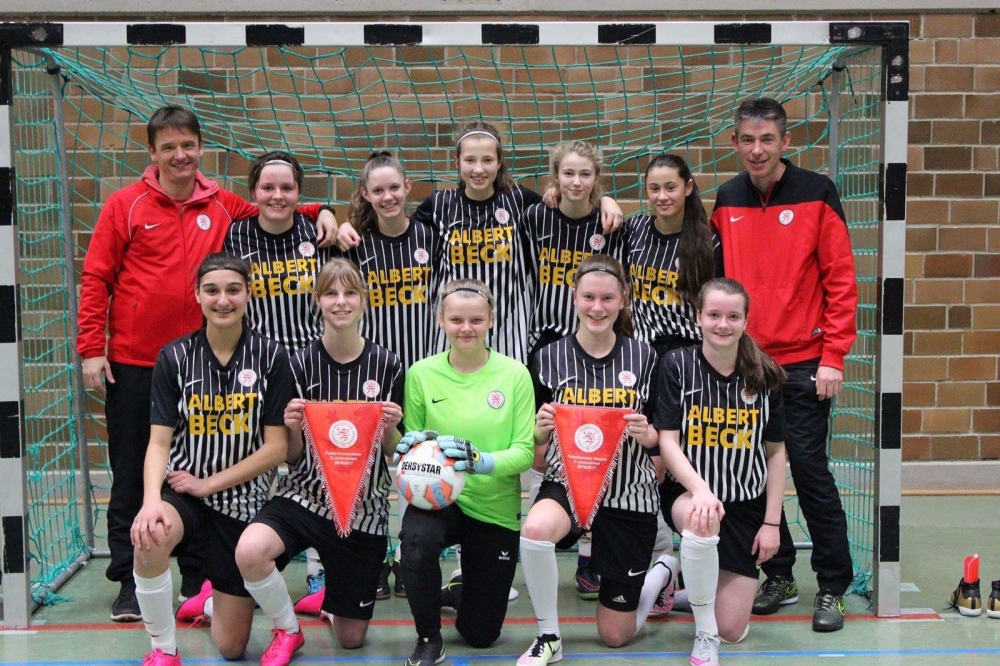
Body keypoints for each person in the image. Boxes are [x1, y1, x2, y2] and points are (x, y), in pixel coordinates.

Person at [77, 106, 336, 621]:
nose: (180, 155)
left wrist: (322, 210)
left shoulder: (220, 203)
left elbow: (274, 206)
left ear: (200, 148)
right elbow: (96, 276)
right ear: (152, 153)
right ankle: (130, 579)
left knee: (198, 469)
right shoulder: (124, 205)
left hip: (203, 363)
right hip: (135, 360)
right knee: (132, 471)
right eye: (168, 147)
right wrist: (90, 347)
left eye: (188, 145)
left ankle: (198, 578)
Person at [709, 97, 858, 632]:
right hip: (748, 364)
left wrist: (833, 356)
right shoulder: (727, 198)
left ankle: (833, 585)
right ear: (735, 143)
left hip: (804, 363)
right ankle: (779, 574)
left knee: (810, 472)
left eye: (767, 139)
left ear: (785, 142)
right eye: (748, 140)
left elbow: (841, 278)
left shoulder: (818, 192)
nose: (757, 150)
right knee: (751, 475)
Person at [336, 121, 623, 365]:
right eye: (470, 160)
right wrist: (350, 223)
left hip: (507, 334)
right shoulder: (439, 204)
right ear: (457, 162)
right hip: (452, 334)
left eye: (487, 160)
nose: (478, 169)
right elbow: (395, 224)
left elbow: (568, 203)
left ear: (499, 163)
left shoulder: (518, 200)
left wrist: (605, 200)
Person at [233, 258, 404, 666]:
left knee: (351, 640)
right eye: (331, 293)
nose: (340, 302)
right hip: (304, 496)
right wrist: (293, 427)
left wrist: (392, 427)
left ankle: (330, 601)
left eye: (350, 293)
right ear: (317, 301)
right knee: (251, 551)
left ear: (364, 300)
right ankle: (288, 629)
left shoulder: (389, 364)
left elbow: (394, 452)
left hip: (363, 510)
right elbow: (291, 456)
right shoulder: (296, 364)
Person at [130, 253, 295, 666]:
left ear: (249, 294)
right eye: (212, 290)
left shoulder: (272, 357)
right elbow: (159, 443)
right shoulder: (174, 358)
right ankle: (163, 650)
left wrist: (209, 484)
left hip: (242, 501)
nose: (223, 300)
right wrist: (151, 501)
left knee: (231, 648)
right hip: (184, 493)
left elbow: (276, 449)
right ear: (197, 296)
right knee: (149, 536)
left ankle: (208, 603)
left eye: (233, 290)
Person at [518, 255, 674, 666]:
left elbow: (661, 438)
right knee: (535, 528)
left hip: (629, 492)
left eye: (607, 298)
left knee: (615, 636)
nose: (597, 307)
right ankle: (548, 636)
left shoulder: (646, 357)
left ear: (623, 300)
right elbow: (536, 441)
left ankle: (663, 570)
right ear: (575, 299)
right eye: (588, 297)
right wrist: (540, 429)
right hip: (567, 483)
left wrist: (647, 434)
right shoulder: (547, 357)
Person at [393, 278, 535, 666]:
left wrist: (479, 461)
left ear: (491, 319)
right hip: (440, 500)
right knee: (416, 541)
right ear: (441, 320)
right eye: (456, 319)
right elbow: (414, 442)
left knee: (480, 635)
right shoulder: (421, 374)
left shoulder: (515, 375)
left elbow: (524, 452)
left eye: (476, 319)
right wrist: (409, 445)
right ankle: (428, 638)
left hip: (493, 506)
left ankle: (458, 592)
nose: (466, 328)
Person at [653, 277, 788, 666]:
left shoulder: (765, 374)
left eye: (733, 316)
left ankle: (672, 579)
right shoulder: (677, 364)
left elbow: (776, 452)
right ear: (698, 316)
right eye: (713, 315)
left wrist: (771, 523)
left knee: (733, 629)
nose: (722, 324)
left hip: (745, 505)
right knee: (702, 518)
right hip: (687, 495)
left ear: (745, 320)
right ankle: (704, 635)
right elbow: (668, 442)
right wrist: (700, 490)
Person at [521, 140, 627, 599]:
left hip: (599, 349)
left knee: (594, 451)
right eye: (568, 173)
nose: (576, 182)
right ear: (555, 177)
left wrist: (610, 201)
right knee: (544, 450)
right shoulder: (535, 218)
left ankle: (590, 557)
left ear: (597, 179)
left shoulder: (610, 223)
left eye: (585, 174)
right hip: (549, 346)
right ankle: (538, 535)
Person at [624, 152, 724, 614]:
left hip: (688, 362)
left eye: (670, 187)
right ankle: (660, 561)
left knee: (684, 460)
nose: (662, 196)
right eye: (654, 188)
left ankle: (695, 564)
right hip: (644, 360)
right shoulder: (633, 230)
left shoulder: (707, 240)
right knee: (648, 462)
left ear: (688, 187)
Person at [340, 151, 439, 599]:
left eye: (394, 187)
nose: (387, 196)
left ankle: (417, 558)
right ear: (365, 194)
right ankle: (377, 557)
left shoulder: (430, 237)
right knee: (374, 469)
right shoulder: (354, 244)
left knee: (425, 465)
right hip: (374, 373)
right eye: (377, 190)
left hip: (424, 371)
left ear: (407, 187)